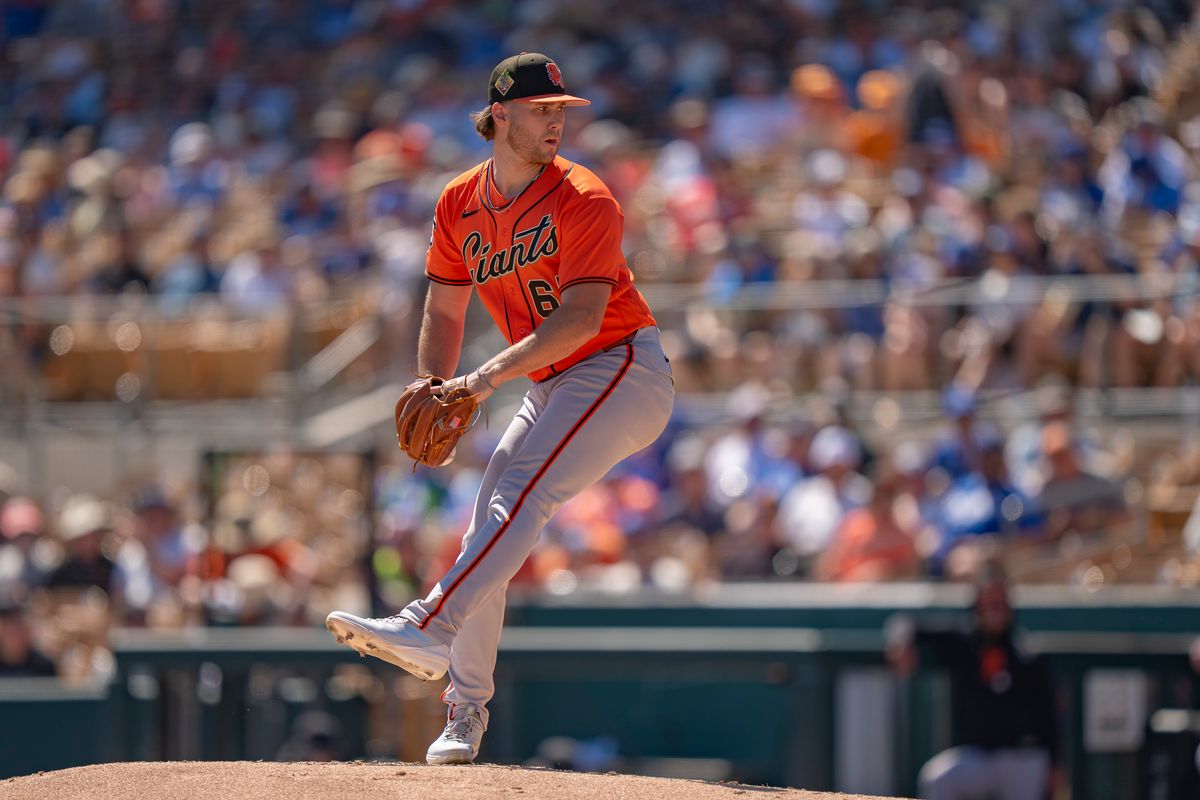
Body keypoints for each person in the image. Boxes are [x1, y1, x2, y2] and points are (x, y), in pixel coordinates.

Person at [326, 53, 675, 766]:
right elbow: (444, 307)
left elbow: (580, 320)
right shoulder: (458, 200)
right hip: (554, 382)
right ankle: (465, 710)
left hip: (620, 367)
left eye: (561, 109)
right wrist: (433, 383)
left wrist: (478, 383)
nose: (556, 121)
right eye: (543, 108)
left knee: (517, 497)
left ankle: (427, 621)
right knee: (492, 518)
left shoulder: (585, 195)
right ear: (501, 114)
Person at [886, 566, 1059, 800]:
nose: (994, 610)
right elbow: (906, 623)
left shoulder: (1027, 655)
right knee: (937, 779)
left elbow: (1050, 716)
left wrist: (1056, 765)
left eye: (999, 603)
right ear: (977, 607)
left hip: (1022, 756)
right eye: (988, 603)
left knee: (1032, 768)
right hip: (980, 756)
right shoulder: (963, 643)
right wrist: (901, 643)